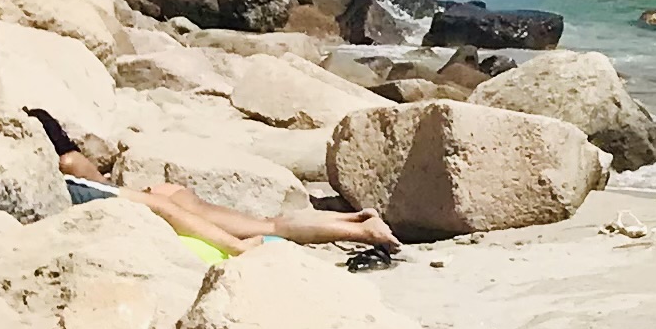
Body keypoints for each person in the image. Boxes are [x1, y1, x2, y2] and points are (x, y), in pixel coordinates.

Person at [31, 112, 392, 261]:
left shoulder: (63, 169)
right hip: (157, 196)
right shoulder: (68, 162)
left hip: (161, 207)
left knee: (266, 228)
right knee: (271, 224)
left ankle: (363, 230)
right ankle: (358, 223)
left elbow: (99, 185)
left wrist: (235, 248)